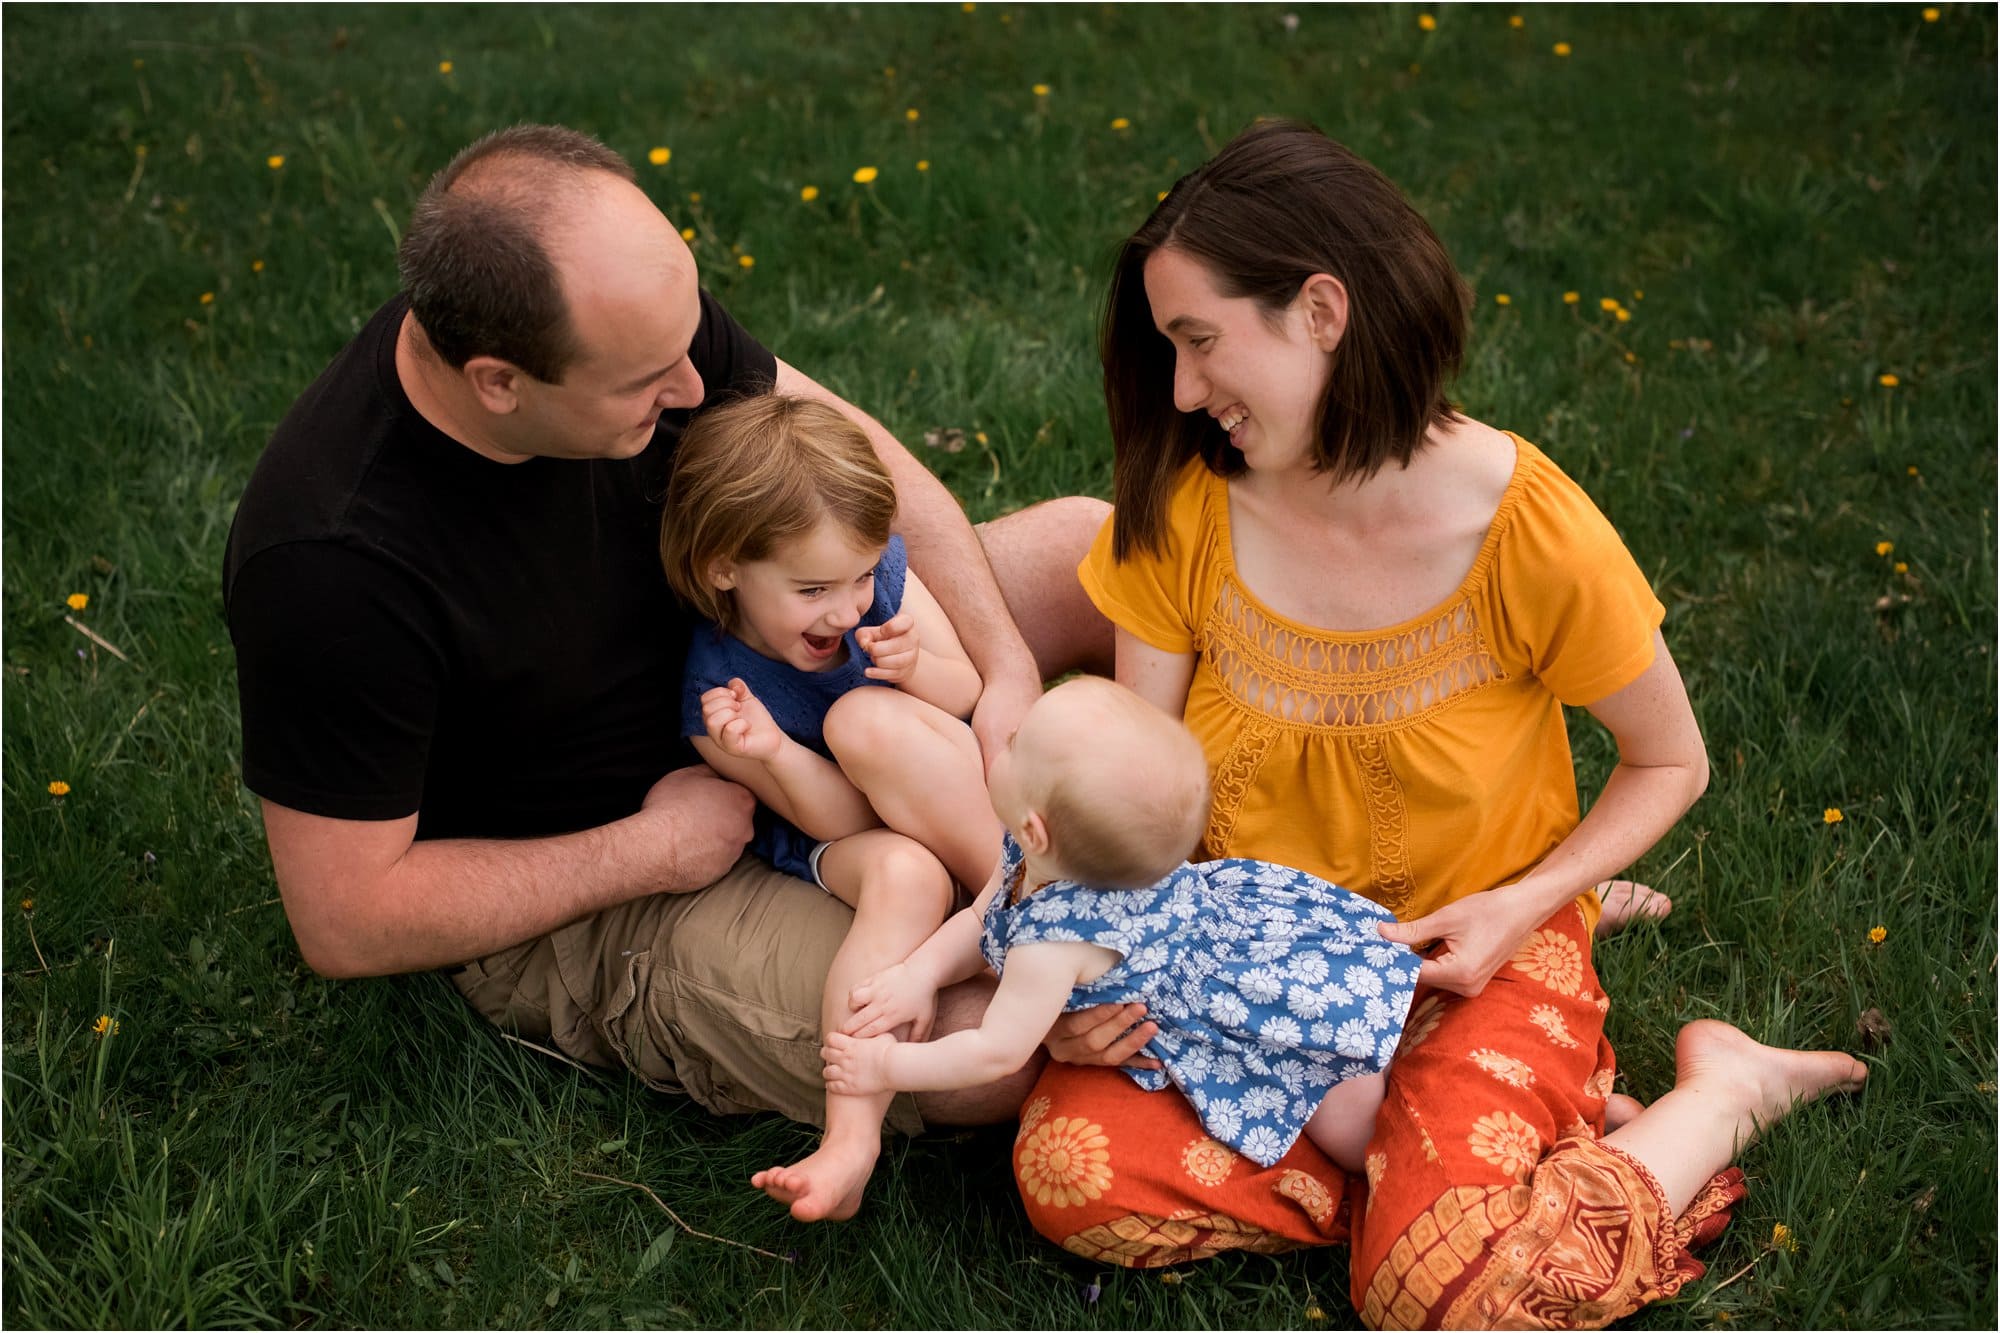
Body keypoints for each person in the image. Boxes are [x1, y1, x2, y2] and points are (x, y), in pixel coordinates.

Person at [1014, 120, 1866, 1327]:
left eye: (1199, 342)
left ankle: (1714, 1095)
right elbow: (1133, 799)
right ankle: (1464, 1176)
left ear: (1320, 310)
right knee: (1072, 1179)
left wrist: (1525, 904)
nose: (1181, 390)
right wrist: (1092, 984)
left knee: (1451, 1304)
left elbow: (1669, 761)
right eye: (1168, 349)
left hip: (1472, 955)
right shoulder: (1182, 503)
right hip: (1249, 973)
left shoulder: (1526, 529)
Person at [223, 125, 1108, 1157]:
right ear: (500, 382)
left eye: (690, 340)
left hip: (787, 654)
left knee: (1095, 551)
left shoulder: (631, 332)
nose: (694, 389)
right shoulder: (333, 565)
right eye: (648, 383)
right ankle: (1061, 923)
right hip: (634, 864)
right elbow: (348, 917)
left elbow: (860, 455)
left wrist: (999, 673)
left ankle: (1202, 849)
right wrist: (645, 852)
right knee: (986, 1046)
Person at [823, 677, 1420, 1178]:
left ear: (1036, 830)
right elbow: (984, 916)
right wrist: (917, 973)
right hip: (1241, 945)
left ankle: (1397, 1158)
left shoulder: (1054, 944)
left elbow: (994, 1051)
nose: (999, 742)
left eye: (1012, 743)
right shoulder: (1040, 855)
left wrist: (886, 1069)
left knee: (1352, 1127)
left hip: (1238, 1006)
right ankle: (1387, 1035)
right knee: (1345, 1030)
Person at [660, 392, 1002, 1219]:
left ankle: (1022, 888)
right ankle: (851, 1137)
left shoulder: (876, 583)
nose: (846, 610)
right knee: (903, 875)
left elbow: (967, 692)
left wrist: (916, 663)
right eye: (813, 588)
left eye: (859, 577)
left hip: (945, 780)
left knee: (863, 717)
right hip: (838, 825)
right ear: (724, 567)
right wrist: (771, 751)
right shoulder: (718, 695)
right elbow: (839, 825)